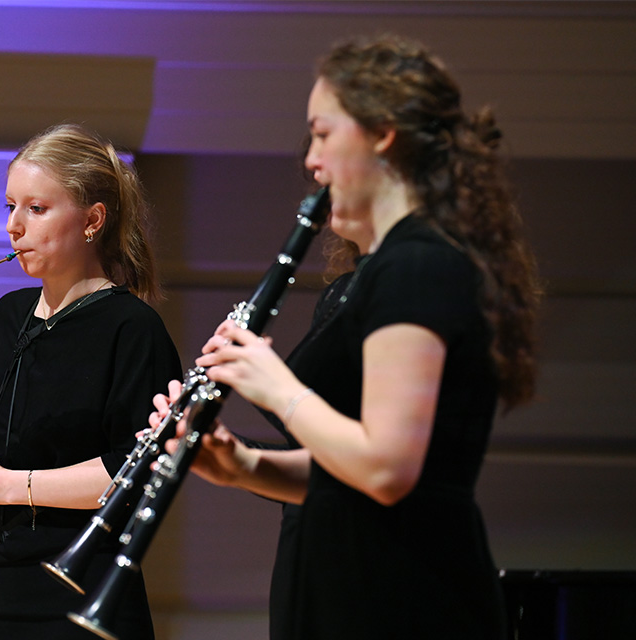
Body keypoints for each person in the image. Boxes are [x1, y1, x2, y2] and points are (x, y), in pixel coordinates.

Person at [152, 35, 540, 639]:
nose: (311, 158)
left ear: (382, 132)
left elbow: (388, 469)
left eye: (323, 133)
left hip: (404, 597)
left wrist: (276, 386)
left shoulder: (420, 265)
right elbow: (351, 475)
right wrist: (240, 465)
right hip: (355, 585)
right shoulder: (385, 270)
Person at [0, 123, 182, 639]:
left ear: (92, 220)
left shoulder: (133, 329)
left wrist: (2, 488)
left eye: (36, 209)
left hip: (82, 594)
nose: (13, 227)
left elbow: (135, 473)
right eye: (10, 207)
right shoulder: (10, 313)